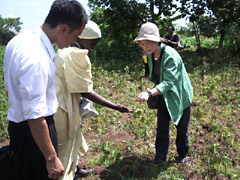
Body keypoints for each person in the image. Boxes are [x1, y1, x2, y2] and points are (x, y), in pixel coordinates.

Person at [3, 0, 88, 179]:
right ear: (63, 29)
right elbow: (35, 115)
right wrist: (51, 158)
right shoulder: (37, 57)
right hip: (35, 134)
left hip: (19, 128)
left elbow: (10, 89)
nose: (75, 41)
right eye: (76, 35)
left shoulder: (19, 40)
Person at [54, 20, 133, 180]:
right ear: (81, 37)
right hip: (62, 108)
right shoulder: (74, 55)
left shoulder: (65, 50)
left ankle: (74, 170)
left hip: (64, 103)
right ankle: (63, 176)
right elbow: (85, 91)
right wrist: (115, 106)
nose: (94, 47)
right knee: (65, 146)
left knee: (74, 139)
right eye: (92, 42)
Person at [133, 22, 193, 165]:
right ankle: (160, 158)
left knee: (181, 128)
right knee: (162, 128)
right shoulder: (151, 55)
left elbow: (169, 82)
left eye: (147, 43)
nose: (144, 47)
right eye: (142, 44)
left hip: (179, 95)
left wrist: (149, 92)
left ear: (156, 41)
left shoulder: (171, 56)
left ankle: (182, 155)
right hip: (163, 95)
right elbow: (155, 76)